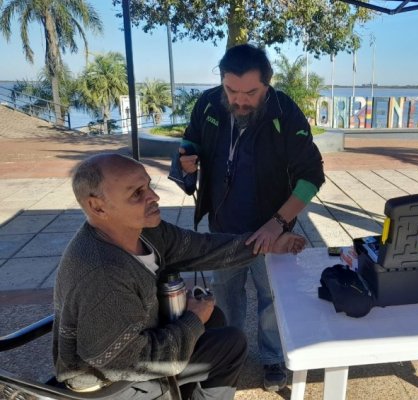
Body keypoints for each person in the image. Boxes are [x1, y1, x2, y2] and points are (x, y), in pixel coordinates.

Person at [53, 153, 306, 399]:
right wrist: (193, 319)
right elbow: (127, 363)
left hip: (134, 346)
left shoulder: (144, 232)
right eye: (136, 194)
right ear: (97, 206)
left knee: (215, 318)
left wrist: (269, 244)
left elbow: (203, 247)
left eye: (148, 186)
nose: (154, 196)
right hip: (109, 385)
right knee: (230, 344)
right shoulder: (103, 274)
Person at [173, 43, 325, 391]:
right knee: (226, 296)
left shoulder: (285, 112)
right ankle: (232, 355)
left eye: (250, 93)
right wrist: (187, 158)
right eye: (232, 90)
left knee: (272, 297)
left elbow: (311, 177)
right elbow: (191, 140)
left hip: (271, 230)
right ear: (222, 82)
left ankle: (272, 357)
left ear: (267, 86)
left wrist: (279, 223)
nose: (240, 100)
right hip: (223, 229)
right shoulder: (209, 103)